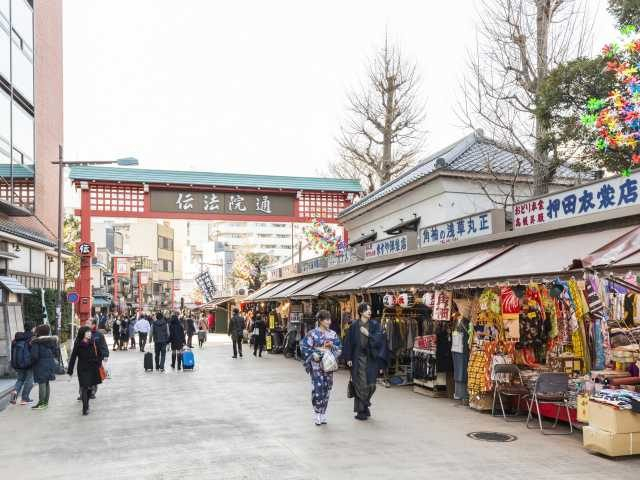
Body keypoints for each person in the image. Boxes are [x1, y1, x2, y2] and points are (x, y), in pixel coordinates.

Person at [343, 302, 387, 421]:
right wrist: (348, 358)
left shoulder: (374, 324)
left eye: (370, 309)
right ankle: (361, 410)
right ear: (361, 312)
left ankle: (365, 404)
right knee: (359, 384)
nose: (369, 311)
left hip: (371, 358)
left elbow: (380, 339)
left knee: (371, 384)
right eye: (367, 309)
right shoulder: (354, 325)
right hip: (358, 358)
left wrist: (368, 334)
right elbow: (348, 342)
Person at [300, 310, 342, 426]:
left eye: (329, 319)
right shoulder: (312, 333)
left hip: (328, 365)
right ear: (320, 321)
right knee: (318, 388)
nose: (329, 321)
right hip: (316, 365)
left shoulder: (333, 334)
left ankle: (323, 412)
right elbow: (304, 346)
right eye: (327, 319)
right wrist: (313, 354)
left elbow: (339, 349)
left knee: (327, 388)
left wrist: (332, 346)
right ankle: (317, 413)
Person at [67, 326, 103, 415]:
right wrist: (70, 371)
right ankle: (85, 407)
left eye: (90, 332)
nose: (89, 334)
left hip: (93, 367)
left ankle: (87, 403)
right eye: (87, 332)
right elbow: (73, 357)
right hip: (82, 368)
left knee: (90, 387)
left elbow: (100, 353)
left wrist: (98, 362)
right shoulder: (78, 343)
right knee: (84, 387)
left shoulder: (93, 342)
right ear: (82, 333)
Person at [29, 324, 58, 410]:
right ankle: (45, 402)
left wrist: (30, 362)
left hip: (40, 365)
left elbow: (34, 356)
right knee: (46, 382)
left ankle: (41, 403)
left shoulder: (36, 342)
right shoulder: (52, 341)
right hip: (49, 364)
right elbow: (55, 353)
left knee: (42, 383)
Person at [9, 321, 35, 405]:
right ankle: (24, 398)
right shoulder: (32, 338)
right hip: (28, 363)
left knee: (20, 379)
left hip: (18, 363)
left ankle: (15, 391)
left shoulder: (17, 338)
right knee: (29, 380)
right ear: (32, 328)